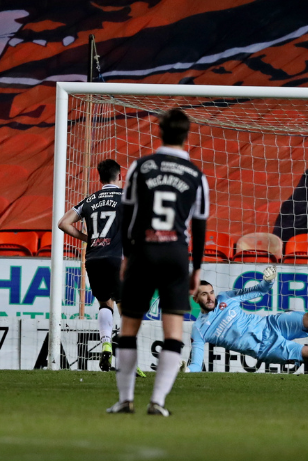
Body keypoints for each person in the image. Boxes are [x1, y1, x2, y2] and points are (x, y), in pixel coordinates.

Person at [107, 108, 209, 416]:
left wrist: (127, 254)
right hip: (176, 254)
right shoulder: (196, 175)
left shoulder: (141, 166)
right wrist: (197, 268)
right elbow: (200, 225)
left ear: (159, 132)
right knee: (173, 333)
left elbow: (126, 214)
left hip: (144, 252)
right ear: (187, 135)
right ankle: (158, 402)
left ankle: (125, 400)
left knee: (129, 329)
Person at [58, 159, 145, 376]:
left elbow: (63, 223)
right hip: (119, 259)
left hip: (94, 258)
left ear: (100, 178)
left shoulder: (90, 199)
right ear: (120, 176)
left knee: (105, 303)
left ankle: (106, 344)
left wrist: (88, 237)